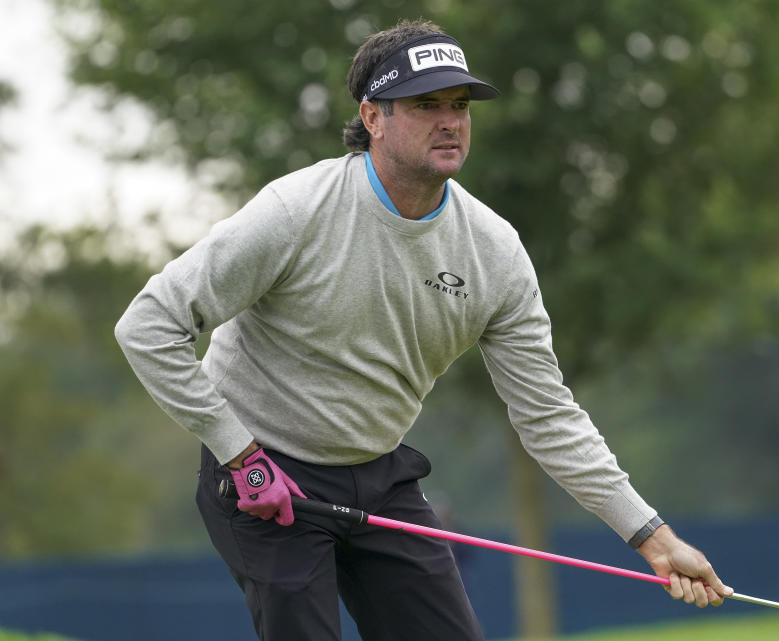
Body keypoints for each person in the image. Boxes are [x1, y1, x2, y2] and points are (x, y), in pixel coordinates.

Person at [115, 18, 733, 641]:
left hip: (378, 477)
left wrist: (653, 537)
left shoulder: (494, 251)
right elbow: (147, 325)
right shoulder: (294, 211)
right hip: (262, 479)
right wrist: (240, 454)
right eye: (425, 105)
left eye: (459, 106)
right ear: (373, 117)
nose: (450, 121)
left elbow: (548, 415)